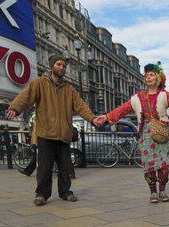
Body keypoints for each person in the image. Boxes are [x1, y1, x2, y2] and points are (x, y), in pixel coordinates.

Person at [97, 62, 169, 203]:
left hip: (162, 134)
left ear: (158, 77)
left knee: (164, 166)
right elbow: (122, 109)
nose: (148, 77)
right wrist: (107, 117)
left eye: (151, 75)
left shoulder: (165, 95)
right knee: (149, 167)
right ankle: (153, 192)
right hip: (146, 136)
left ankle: (162, 190)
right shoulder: (137, 97)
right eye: (146, 75)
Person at [6, 55, 100, 206]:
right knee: (45, 167)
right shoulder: (39, 83)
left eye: (64, 65)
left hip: (63, 134)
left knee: (65, 166)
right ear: (52, 66)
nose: (62, 67)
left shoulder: (69, 90)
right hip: (45, 133)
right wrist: (15, 108)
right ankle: (42, 194)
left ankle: (65, 192)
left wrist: (92, 119)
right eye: (59, 64)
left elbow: (81, 106)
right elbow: (25, 96)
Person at [18, 111, 38, 177]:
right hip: (39, 138)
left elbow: (31, 126)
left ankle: (28, 171)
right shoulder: (36, 114)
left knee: (37, 156)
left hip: (39, 138)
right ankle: (28, 171)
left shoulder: (35, 115)